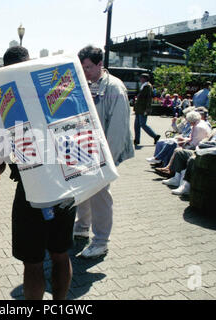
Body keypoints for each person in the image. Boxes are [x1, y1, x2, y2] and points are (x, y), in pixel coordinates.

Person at [0, 46, 77, 300]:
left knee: (33, 262)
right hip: (66, 185)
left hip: (32, 190)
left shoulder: (7, 102)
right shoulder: (58, 93)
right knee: (60, 255)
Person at [73, 45, 134, 258]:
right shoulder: (86, 84)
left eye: (88, 67)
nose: (85, 72)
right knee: (84, 191)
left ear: (100, 64)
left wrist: (108, 160)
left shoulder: (115, 88)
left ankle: (101, 241)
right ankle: (82, 227)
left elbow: (118, 128)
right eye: (82, 68)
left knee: (100, 196)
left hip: (103, 153)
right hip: (85, 150)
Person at [172, 108, 216, 195]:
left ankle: (187, 186)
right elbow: (204, 140)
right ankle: (176, 178)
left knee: (192, 159)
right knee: (180, 152)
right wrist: (200, 146)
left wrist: (205, 148)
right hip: (203, 151)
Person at [156, 110, 211, 181]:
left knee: (176, 148)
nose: (188, 122)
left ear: (191, 120)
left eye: (188, 121)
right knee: (174, 145)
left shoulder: (198, 127)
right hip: (197, 144)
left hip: (198, 148)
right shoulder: (199, 124)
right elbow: (193, 139)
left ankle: (170, 169)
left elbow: (194, 143)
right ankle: (168, 167)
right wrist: (184, 140)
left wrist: (183, 143)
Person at [133, 73, 161, 146]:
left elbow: (149, 99)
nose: (140, 79)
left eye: (141, 78)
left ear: (145, 79)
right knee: (136, 125)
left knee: (143, 124)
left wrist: (147, 109)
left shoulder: (148, 86)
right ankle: (136, 140)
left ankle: (155, 136)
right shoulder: (144, 85)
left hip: (143, 108)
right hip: (139, 108)